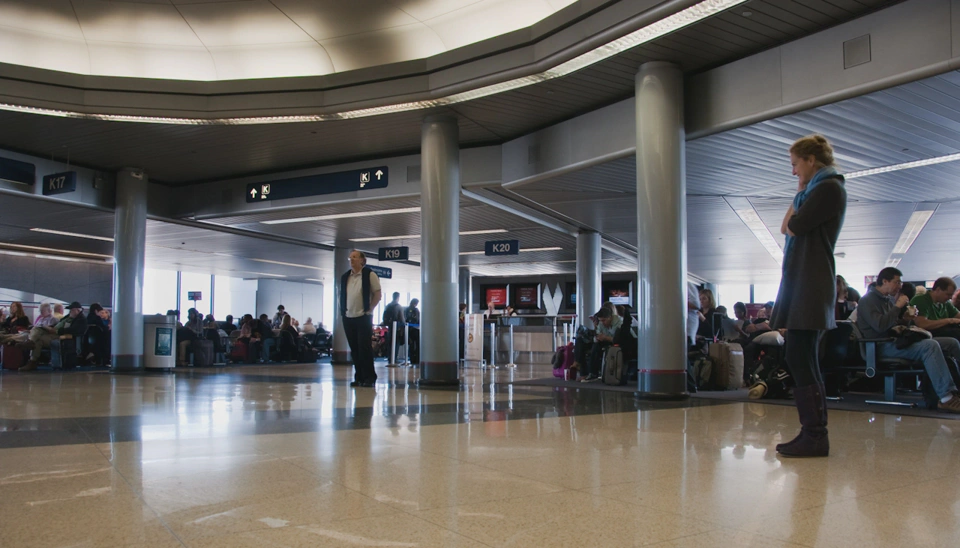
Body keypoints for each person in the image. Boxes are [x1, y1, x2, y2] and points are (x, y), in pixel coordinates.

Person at [770, 134, 846, 458]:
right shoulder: (818, 189)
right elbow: (785, 225)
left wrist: (800, 193)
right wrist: (801, 192)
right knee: (802, 355)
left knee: (799, 355)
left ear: (811, 160)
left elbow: (793, 226)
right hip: (806, 280)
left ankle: (815, 434)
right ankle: (814, 433)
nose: (793, 172)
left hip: (810, 283)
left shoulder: (828, 188)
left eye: (795, 164)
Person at [858, 268, 960, 413]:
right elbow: (880, 326)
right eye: (897, 282)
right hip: (880, 345)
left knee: (951, 343)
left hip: (894, 341)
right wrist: (897, 307)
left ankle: (956, 390)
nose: (900, 286)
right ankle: (946, 397)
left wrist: (905, 320)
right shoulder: (867, 300)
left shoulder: (886, 300)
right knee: (929, 346)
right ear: (884, 281)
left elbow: (891, 325)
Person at [340, 250, 382, 386]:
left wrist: (370, 309)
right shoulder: (345, 276)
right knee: (355, 349)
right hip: (348, 316)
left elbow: (377, 293)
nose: (351, 260)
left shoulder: (369, 274)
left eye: (355, 257)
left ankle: (369, 377)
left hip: (363, 316)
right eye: (350, 257)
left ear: (362, 261)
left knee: (364, 348)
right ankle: (359, 377)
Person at [21, 301, 88, 371]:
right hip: (54, 331)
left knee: (38, 340)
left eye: (72, 310)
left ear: (78, 310)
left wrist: (57, 331)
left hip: (60, 335)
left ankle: (32, 360)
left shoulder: (81, 320)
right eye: (70, 310)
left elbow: (74, 330)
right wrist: (50, 328)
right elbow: (58, 325)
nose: (70, 311)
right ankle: (30, 344)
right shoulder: (68, 317)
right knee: (37, 328)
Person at [579, 306, 621, 383]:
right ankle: (591, 372)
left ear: (610, 318)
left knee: (596, 346)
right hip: (608, 341)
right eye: (601, 321)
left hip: (621, 343)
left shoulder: (619, 323)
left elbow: (620, 339)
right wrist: (598, 337)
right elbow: (598, 333)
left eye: (604, 320)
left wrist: (605, 337)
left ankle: (592, 372)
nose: (602, 323)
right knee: (593, 344)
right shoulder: (601, 323)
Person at [382, 292, 405, 359]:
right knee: (396, 343)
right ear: (398, 297)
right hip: (397, 327)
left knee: (390, 343)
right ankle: (394, 358)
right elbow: (402, 318)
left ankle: (390, 358)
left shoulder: (388, 306)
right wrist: (403, 326)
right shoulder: (399, 307)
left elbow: (384, 317)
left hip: (390, 327)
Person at [405, 298, 420, 366]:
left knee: (411, 345)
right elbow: (417, 319)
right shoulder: (416, 310)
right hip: (416, 329)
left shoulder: (406, 310)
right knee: (417, 345)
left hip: (408, 329)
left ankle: (411, 359)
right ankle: (417, 359)